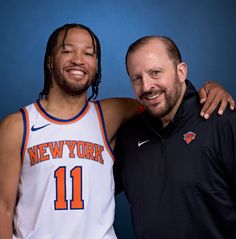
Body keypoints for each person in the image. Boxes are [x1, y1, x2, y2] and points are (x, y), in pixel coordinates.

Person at [0, 23, 234, 239]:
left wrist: (209, 90)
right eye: (67, 50)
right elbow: (3, 207)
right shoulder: (18, 126)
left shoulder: (108, 115)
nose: (78, 60)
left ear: (96, 65)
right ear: (50, 60)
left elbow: (167, 100)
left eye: (89, 53)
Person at [114, 35, 236, 238]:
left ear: (181, 72)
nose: (146, 87)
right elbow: (92, 192)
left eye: (155, 73)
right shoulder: (128, 137)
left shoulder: (222, 122)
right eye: (137, 78)